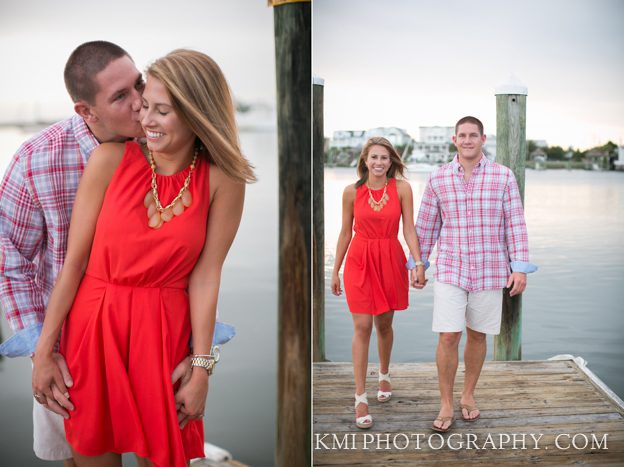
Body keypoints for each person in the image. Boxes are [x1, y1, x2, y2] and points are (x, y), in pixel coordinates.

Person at [28, 49, 255, 466]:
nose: (145, 118)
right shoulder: (109, 161)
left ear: (197, 113)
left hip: (164, 337)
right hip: (93, 332)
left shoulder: (224, 179)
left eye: (161, 110)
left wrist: (202, 366)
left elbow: (206, 277)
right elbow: (73, 266)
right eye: (144, 104)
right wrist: (43, 352)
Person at [0, 41, 148, 465]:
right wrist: (41, 354)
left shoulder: (165, 146)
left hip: (146, 339)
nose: (139, 103)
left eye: (139, 84)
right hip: (69, 350)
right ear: (87, 111)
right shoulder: (37, 160)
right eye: (121, 96)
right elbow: (11, 263)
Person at [409, 116, 537, 432]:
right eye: (462, 136)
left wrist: (520, 267)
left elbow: (515, 224)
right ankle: (446, 403)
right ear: (455, 139)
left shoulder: (503, 177)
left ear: (483, 139)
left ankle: (468, 395)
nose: (467, 140)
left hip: (491, 270)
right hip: (451, 268)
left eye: (473, 135)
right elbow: (426, 226)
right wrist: (418, 264)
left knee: (478, 334)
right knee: (449, 335)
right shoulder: (438, 178)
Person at [331, 137, 427, 430]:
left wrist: (418, 261)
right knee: (361, 327)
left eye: (384, 158)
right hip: (359, 260)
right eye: (374, 157)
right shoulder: (350, 192)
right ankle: (360, 396)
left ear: (392, 161)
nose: (379, 163)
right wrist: (334, 270)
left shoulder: (402, 189)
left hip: (389, 258)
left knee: (383, 325)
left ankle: (384, 374)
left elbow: (409, 228)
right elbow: (345, 233)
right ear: (365, 161)